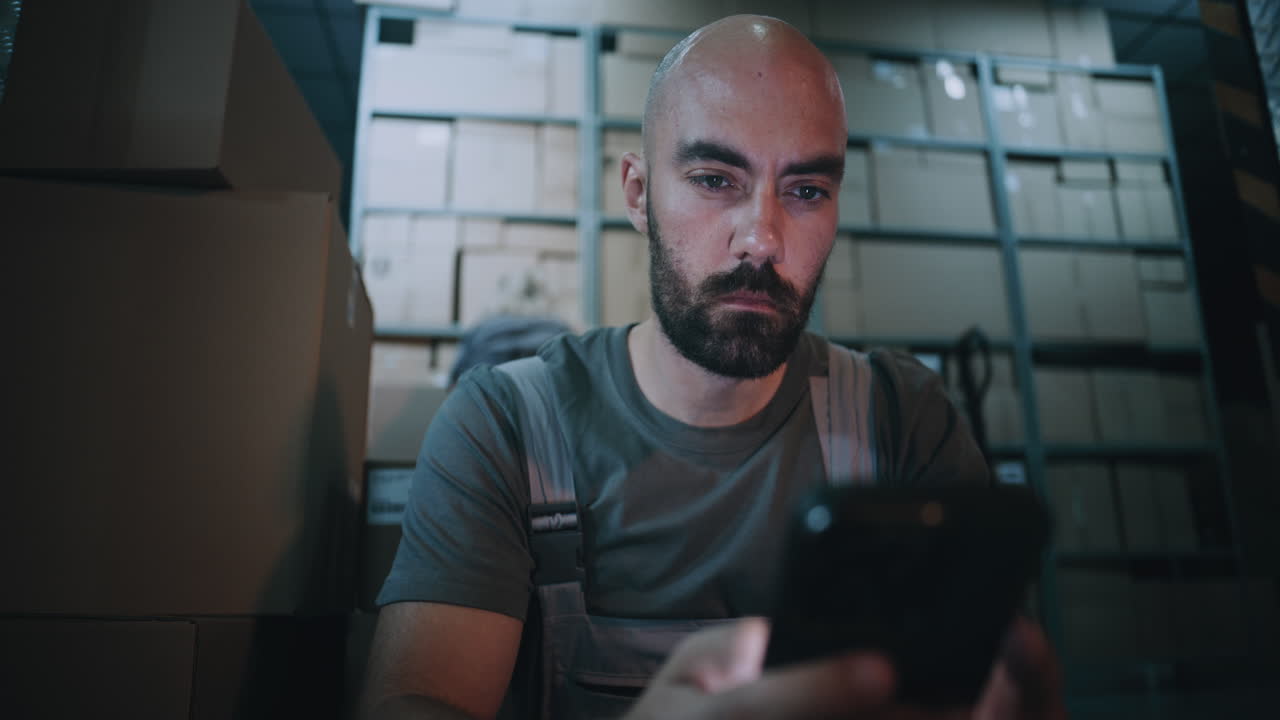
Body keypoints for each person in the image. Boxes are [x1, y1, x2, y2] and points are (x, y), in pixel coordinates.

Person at [361, 14, 1065, 720]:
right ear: (637, 194)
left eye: (806, 191)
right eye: (713, 178)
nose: (761, 239)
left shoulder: (902, 420)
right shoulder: (504, 428)